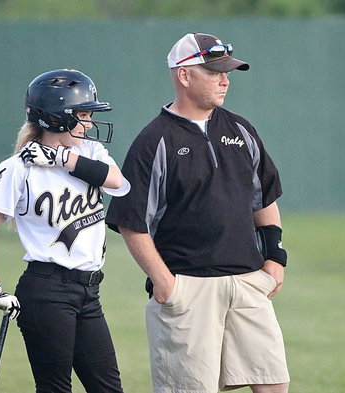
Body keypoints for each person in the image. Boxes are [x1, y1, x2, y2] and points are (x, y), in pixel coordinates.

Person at [106, 33, 290, 393]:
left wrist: (275, 258)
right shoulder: (154, 140)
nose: (225, 79)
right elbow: (131, 222)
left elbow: (263, 197)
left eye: (227, 72)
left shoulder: (240, 129)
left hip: (248, 282)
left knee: (273, 383)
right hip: (187, 287)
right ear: (184, 75)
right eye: (214, 72)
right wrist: (164, 281)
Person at [0, 68, 130, 393]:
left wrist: (59, 157)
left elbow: (118, 182)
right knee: (55, 389)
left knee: (109, 388)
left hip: (89, 291)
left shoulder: (90, 154)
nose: (89, 123)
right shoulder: (17, 169)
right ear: (57, 118)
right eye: (83, 114)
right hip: (46, 290)